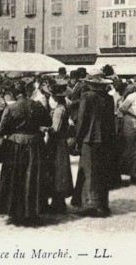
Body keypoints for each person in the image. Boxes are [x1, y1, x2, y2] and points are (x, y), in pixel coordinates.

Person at [0, 79, 52, 225]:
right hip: (35, 145)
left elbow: (1, 129)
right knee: (33, 176)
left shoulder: (11, 107)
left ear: (15, 93)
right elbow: (48, 122)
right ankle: (33, 211)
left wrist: (15, 130)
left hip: (16, 145)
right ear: (27, 91)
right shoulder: (37, 105)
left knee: (16, 177)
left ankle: (16, 212)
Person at [70, 70, 115, 217]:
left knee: (88, 170)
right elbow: (111, 121)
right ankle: (102, 204)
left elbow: (82, 120)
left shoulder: (87, 96)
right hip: (105, 139)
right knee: (101, 171)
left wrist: (77, 138)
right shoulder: (108, 98)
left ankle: (89, 204)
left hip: (89, 138)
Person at [43, 80, 74, 214]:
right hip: (61, 141)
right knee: (60, 170)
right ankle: (59, 201)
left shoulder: (59, 110)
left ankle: (57, 203)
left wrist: (43, 128)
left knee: (56, 170)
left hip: (56, 142)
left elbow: (54, 129)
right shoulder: (64, 106)